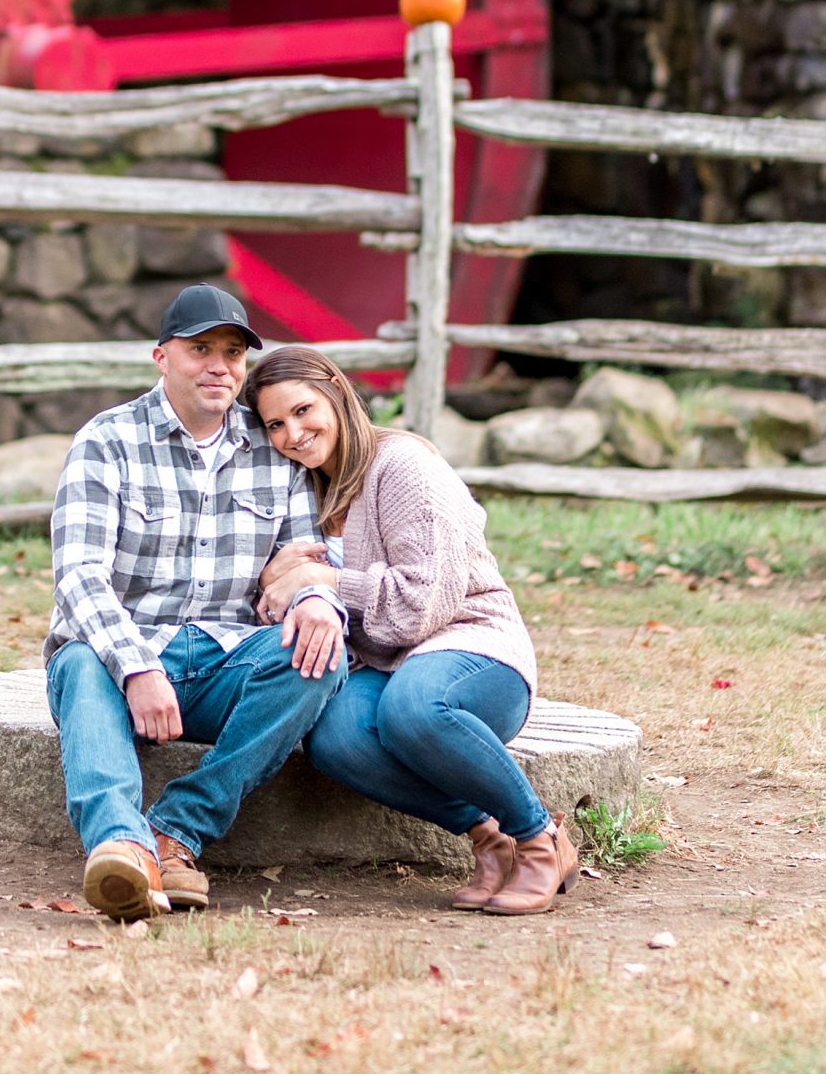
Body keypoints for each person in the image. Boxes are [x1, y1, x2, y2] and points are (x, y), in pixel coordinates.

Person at [44, 284, 348, 922]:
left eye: (234, 352)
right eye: (200, 349)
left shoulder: (274, 447)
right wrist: (136, 666)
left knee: (318, 654)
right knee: (76, 661)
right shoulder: (107, 442)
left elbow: (308, 559)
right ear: (161, 358)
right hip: (120, 656)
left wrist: (318, 601)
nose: (220, 365)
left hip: (226, 661)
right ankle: (120, 848)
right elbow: (78, 575)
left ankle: (174, 834)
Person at [244, 345, 579, 916]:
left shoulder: (403, 468)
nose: (293, 434)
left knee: (413, 706)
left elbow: (419, 609)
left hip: (475, 649)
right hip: (388, 663)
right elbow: (283, 598)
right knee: (335, 739)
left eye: (303, 410)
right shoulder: (309, 490)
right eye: (275, 424)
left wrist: (324, 575)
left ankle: (540, 838)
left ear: (334, 389)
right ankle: (489, 838)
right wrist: (280, 579)